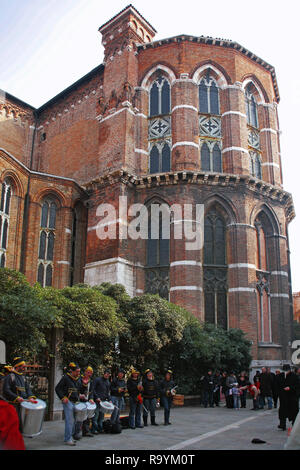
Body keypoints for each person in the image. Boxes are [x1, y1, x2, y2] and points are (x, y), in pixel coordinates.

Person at [3, 357, 37, 430]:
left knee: (21, 426)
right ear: (17, 367)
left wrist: (30, 397)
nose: (25, 368)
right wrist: (17, 397)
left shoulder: (23, 377)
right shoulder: (10, 376)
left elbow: (28, 389)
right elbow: (6, 390)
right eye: (23, 366)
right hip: (13, 406)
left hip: (22, 405)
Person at [55, 362, 81, 446]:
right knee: (69, 421)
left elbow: (76, 390)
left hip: (75, 402)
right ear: (72, 371)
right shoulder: (66, 378)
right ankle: (68, 439)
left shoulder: (76, 379)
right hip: (68, 402)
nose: (78, 373)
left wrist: (80, 395)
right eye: (77, 371)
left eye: (79, 371)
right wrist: (63, 397)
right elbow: (57, 388)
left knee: (73, 421)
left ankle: (70, 437)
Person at [92, 368, 119, 434]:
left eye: (108, 374)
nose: (107, 375)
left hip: (103, 402)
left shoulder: (108, 382)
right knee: (96, 416)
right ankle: (94, 429)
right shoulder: (97, 380)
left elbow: (107, 392)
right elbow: (93, 389)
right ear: (104, 373)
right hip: (97, 401)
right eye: (106, 374)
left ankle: (100, 428)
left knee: (101, 416)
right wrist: (96, 397)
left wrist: (109, 400)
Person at [278, 364, 299, 431]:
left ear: (290, 370)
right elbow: (277, 385)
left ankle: (294, 424)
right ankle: (282, 424)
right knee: (282, 411)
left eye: (287, 370)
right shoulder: (280, 376)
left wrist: (290, 388)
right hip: (283, 397)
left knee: (293, 411)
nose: (285, 372)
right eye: (284, 370)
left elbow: (297, 386)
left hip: (292, 397)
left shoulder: (294, 376)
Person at [78, 366, 95, 438]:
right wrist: (79, 395)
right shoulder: (79, 380)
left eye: (90, 373)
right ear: (85, 372)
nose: (89, 374)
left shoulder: (91, 381)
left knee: (87, 417)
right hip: (79, 400)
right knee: (79, 417)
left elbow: (91, 392)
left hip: (87, 401)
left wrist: (91, 398)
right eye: (88, 372)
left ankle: (86, 431)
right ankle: (77, 432)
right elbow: (76, 389)